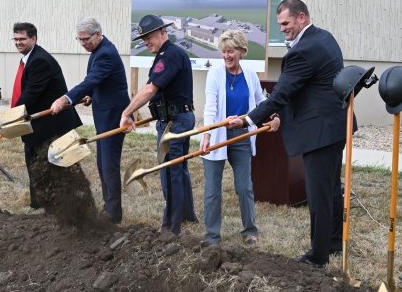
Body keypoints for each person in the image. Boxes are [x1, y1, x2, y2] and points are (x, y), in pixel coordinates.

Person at [231, 0, 353, 268]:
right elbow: (308, 88)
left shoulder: (303, 51)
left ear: (301, 18)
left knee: (319, 193)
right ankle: (332, 244)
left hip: (319, 131)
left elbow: (282, 93)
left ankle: (318, 256)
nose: (282, 29)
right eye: (279, 25)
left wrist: (249, 119)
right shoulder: (325, 38)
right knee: (331, 190)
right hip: (334, 125)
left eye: (286, 23)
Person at [120, 14, 198, 235]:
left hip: (173, 123)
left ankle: (170, 230)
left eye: (149, 37)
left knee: (170, 173)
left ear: (163, 33)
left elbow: (150, 89)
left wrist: (127, 112)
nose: (145, 42)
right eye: (143, 38)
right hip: (175, 119)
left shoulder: (169, 56)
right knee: (179, 169)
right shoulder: (168, 54)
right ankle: (186, 216)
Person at [200, 30, 279, 246]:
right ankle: (212, 236)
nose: (226, 56)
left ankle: (250, 230)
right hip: (217, 135)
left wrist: (273, 116)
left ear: (242, 52)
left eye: (231, 51)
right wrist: (207, 135)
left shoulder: (251, 75)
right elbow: (210, 107)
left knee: (244, 186)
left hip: (242, 135)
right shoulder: (215, 73)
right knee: (213, 189)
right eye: (224, 52)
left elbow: (262, 102)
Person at [51, 17, 130, 224]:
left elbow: (92, 80)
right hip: (105, 110)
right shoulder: (99, 50)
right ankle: (109, 207)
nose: (83, 43)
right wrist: (92, 96)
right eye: (79, 40)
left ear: (97, 34)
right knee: (102, 162)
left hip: (113, 115)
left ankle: (113, 214)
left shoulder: (105, 54)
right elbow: (101, 82)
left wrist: (66, 98)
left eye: (85, 39)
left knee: (109, 163)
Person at [11, 22, 82, 209]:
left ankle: (65, 205)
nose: (18, 42)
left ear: (33, 39)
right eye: (16, 39)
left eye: (22, 39)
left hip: (55, 123)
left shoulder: (39, 60)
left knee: (59, 164)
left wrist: (12, 117)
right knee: (36, 161)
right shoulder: (30, 58)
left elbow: (30, 94)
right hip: (42, 122)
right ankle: (41, 204)